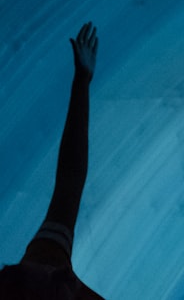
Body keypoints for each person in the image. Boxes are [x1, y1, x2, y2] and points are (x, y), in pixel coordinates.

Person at [0, 22, 106, 300]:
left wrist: (82, 82)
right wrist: (82, 82)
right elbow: (70, 180)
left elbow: (70, 182)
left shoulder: (50, 264)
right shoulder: (51, 265)